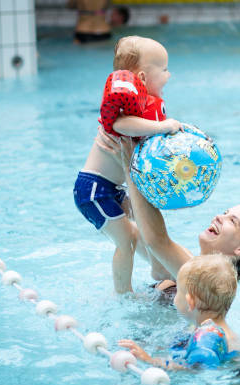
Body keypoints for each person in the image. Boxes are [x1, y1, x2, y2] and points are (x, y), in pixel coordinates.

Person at [94, 128, 240, 292]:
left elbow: (156, 241)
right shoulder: (189, 262)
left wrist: (130, 166)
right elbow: (138, 235)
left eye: (232, 221)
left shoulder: (212, 284)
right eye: (225, 213)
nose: (220, 217)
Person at [73, 36, 183, 293]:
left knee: (144, 220)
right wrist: (162, 126)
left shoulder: (141, 107)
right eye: (165, 69)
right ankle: (124, 294)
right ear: (143, 78)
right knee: (127, 241)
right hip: (94, 190)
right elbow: (120, 125)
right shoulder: (124, 113)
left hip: (110, 188)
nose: (170, 75)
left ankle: (160, 268)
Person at [118, 254, 240, 369]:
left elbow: (195, 369)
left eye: (178, 291)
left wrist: (149, 360)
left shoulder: (207, 335)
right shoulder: (209, 329)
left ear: (190, 302)